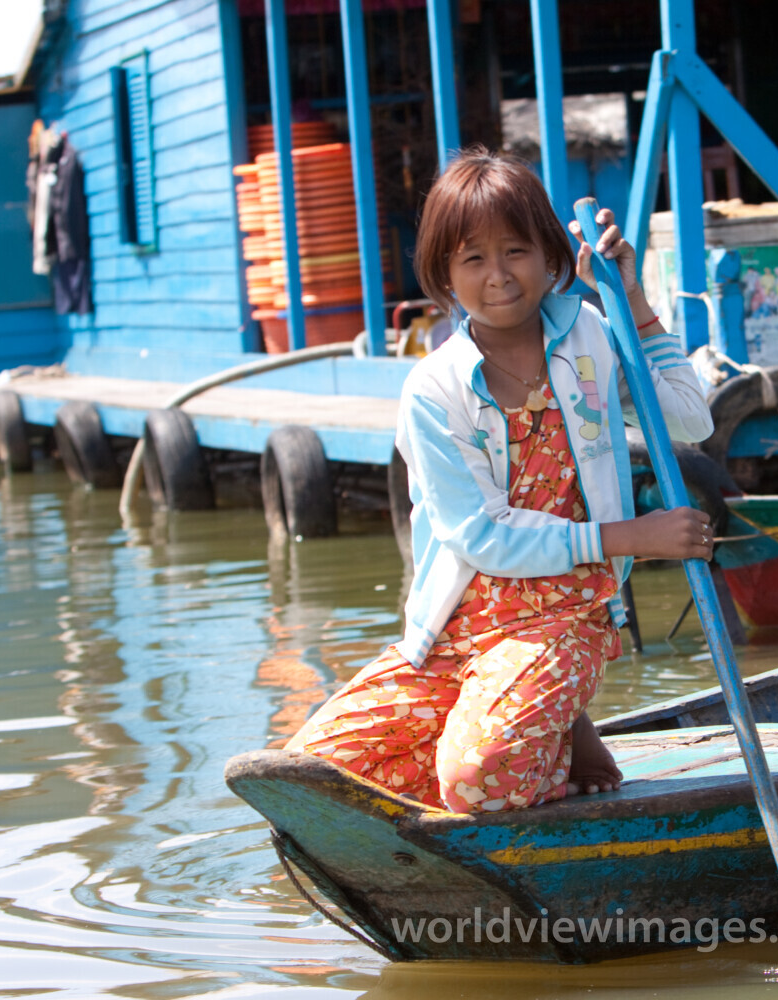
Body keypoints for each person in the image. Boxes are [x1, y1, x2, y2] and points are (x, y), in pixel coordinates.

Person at [284, 149, 715, 814]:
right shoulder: (433, 389)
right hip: (457, 627)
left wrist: (632, 301)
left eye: (515, 250)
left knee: (475, 782)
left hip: (570, 614)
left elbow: (689, 419)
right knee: (314, 776)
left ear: (550, 256)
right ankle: (553, 727)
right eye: (473, 259)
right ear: (446, 275)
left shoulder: (590, 340)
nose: (499, 276)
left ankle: (538, 724)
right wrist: (637, 535)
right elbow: (480, 537)